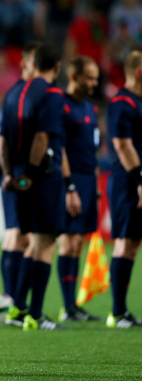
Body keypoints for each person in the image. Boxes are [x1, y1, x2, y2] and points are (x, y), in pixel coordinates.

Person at [0, 43, 66, 330]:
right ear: (57, 67)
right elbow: (42, 138)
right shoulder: (51, 93)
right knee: (45, 243)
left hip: (17, 176)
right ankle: (35, 315)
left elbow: (0, 139)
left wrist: (10, 174)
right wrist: (32, 174)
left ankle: (17, 306)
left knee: (27, 242)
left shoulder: (14, 92)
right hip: (42, 177)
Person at [0, 42, 39, 318]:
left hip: (11, 171)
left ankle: (11, 300)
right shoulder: (22, 95)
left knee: (18, 236)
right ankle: (14, 301)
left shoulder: (18, 94)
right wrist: (2, 172)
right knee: (20, 236)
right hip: (17, 172)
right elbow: (0, 136)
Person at [57, 57, 102, 322]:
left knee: (79, 243)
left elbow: (93, 148)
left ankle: (72, 305)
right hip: (70, 179)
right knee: (69, 241)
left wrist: (94, 183)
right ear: (74, 76)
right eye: (90, 77)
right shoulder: (62, 105)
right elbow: (60, 146)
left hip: (88, 180)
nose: (95, 83)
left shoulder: (89, 107)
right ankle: (67, 306)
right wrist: (68, 185)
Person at [105, 50, 142, 328]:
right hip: (128, 182)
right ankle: (117, 312)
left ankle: (122, 312)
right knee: (125, 242)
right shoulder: (122, 102)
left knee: (134, 243)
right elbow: (121, 144)